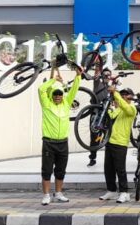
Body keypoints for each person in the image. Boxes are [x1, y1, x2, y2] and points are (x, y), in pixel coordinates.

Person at [38, 65, 81, 205]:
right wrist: (53, 80)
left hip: (63, 142)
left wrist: (78, 76)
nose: (57, 96)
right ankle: (46, 195)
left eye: (60, 94)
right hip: (49, 143)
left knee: (61, 170)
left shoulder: (66, 104)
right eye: (55, 95)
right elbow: (41, 89)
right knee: (46, 170)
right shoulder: (46, 104)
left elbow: (74, 90)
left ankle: (59, 193)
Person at [99, 87, 137, 204]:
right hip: (110, 141)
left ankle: (124, 192)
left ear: (130, 96)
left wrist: (115, 93)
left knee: (120, 169)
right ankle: (111, 190)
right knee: (108, 169)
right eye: (122, 94)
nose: (124, 96)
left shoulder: (131, 108)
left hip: (120, 143)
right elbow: (110, 116)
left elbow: (124, 106)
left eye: (126, 94)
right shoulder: (117, 109)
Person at [87, 67, 113, 167]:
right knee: (94, 138)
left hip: (106, 116)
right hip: (96, 114)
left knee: (107, 137)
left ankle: (109, 159)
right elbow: (96, 76)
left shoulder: (111, 87)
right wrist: (98, 66)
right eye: (105, 75)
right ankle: (92, 158)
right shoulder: (98, 84)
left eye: (108, 75)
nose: (107, 76)